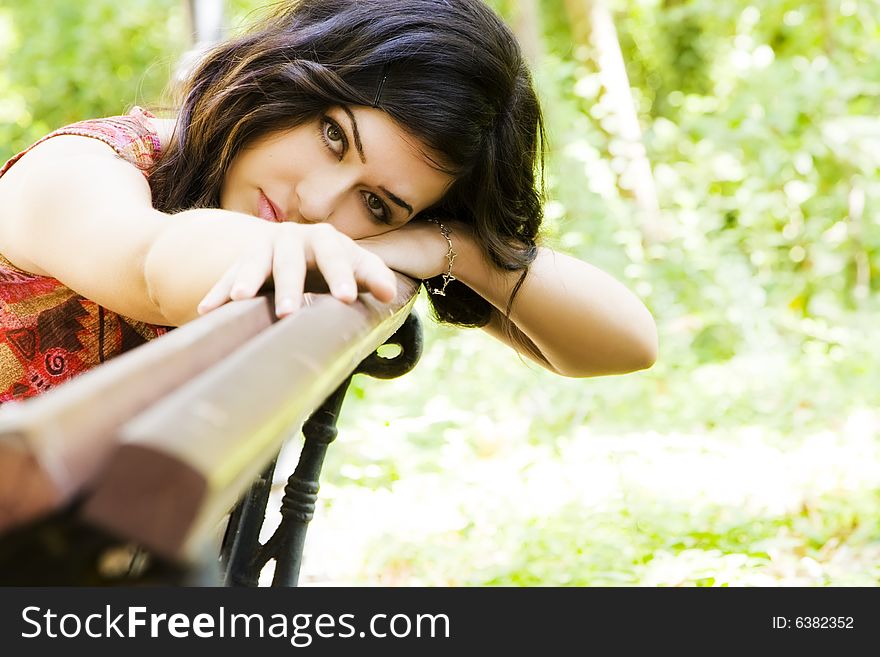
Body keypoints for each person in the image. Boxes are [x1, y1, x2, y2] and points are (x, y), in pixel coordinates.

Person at [0, 0, 657, 404]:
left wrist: (443, 246)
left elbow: (629, 343)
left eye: (377, 203)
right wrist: (305, 244)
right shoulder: (80, 170)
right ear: (286, 74)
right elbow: (152, 267)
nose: (314, 202)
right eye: (333, 136)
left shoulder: (338, 245)